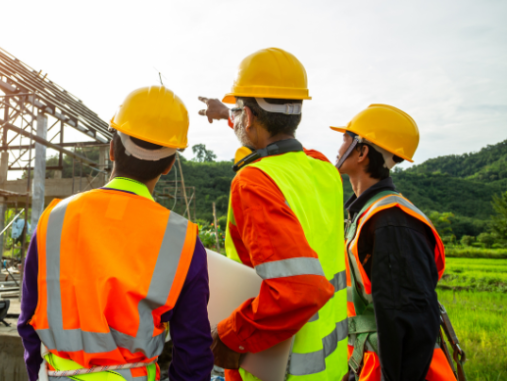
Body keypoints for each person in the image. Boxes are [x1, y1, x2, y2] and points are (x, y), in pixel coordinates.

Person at [18, 86, 213, 381]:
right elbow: (193, 351)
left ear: (112, 149)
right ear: (169, 165)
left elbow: (28, 321)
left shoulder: (54, 219)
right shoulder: (182, 240)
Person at [199, 47, 348, 381]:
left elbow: (299, 290)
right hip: (331, 368)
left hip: (280, 370)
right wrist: (228, 113)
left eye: (239, 113)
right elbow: (268, 139)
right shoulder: (324, 169)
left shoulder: (255, 181)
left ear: (249, 117)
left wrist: (230, 337)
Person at [331, 104, 456, 381]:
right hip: (368, 366)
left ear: (362, 152)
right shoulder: (367, 214)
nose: (338, 149)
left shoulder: (391, 221)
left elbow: (410, 320)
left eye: (345, 139)